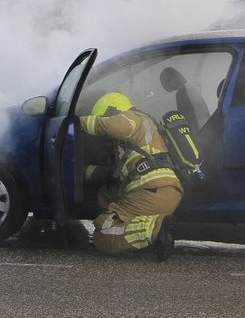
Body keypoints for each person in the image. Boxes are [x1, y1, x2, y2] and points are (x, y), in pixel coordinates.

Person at [78, 91, 183, 260]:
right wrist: (82, 171)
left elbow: (113, 126)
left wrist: (77, 121)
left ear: (113, 110)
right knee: (105, 193)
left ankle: (155, 229)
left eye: (106, 117)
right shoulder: (142, 135)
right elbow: (112, 174)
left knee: (103, 235)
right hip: (162, 190)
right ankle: (140, 229)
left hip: (151, 191)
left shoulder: (134, 118)